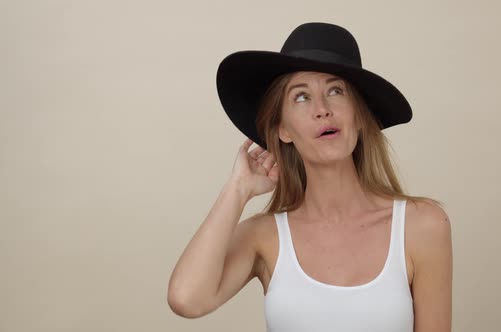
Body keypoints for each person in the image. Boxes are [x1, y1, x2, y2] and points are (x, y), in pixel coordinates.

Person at [168, 22, 453, 332]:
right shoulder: (264, 236)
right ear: (283, 130)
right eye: (301, 97)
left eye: (335, 91)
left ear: (358, 115)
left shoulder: (422, 225)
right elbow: (187, 299)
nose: (322, 109)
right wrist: (237, 189)